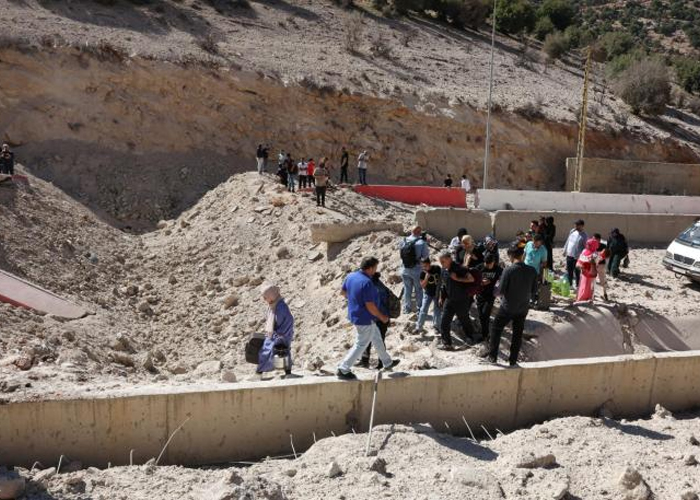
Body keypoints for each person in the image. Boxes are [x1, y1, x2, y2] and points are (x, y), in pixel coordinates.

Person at [338, 257, 400, 380]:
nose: (376, 270)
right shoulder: (367, 282)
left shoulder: (351, 276)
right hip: (365, 318)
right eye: (375, 268)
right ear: (371, 268)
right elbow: (370, 306)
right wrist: (382, 317)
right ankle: (343, 369)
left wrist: (356, 301)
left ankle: (387, 362)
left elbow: (343, 292)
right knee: (361, 344)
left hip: (356, 315)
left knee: (376, 337)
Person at [487, 243, 538, 366]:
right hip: (523, 308)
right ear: (523, 255)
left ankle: (492, 358)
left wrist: (494, 289)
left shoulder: (508, 270)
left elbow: (500, 291)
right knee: (517, 334)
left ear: (510, 256)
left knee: (496, 329)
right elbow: (534, 290)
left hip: (507, 307)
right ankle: (513, 361)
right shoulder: (532, 270)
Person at [438, 251, 478, 350]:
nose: (442, 264)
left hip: (461, 300)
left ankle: (471, 338)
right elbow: (444, 285)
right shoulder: (443, 270)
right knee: (444, 322)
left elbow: (471, 279)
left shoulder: (459, 268)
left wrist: (458, 279)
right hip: (449, 300)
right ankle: (447, 344)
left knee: (464, 320)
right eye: (440, 262)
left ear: (449, 259)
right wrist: (441, 297)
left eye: (443, 261)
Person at [256, 284, 294, 376]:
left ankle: (259, 373)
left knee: (266, 352)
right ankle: (287, 373)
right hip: (277, 334)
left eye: (266, 297)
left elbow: (288, 320)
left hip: (281, 334)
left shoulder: (280, 307)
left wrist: (279, 334)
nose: (265, 300)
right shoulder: (274, 305)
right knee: (283, 351)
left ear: (271, 295)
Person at [358, 272, 392, 369]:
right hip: (381, 317)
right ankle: (378, 362)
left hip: (378, 318)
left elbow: (372, 306)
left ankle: (371, 362)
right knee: (378, 340)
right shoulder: (380, 286)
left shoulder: (373, 289)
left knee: (372, 339)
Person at [399, 226, 430, 314]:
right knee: (418, 289)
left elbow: (401, 254)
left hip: (404, 269)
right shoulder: (421, 242)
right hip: (416, 270)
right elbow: (425, 256)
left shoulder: (403, 240)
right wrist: (426, 243)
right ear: (419, 232)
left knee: (407, 289)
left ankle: (407, 309)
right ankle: (419, 308)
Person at [415, 257, 442, 333]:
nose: (424, 268)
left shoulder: (437, 268)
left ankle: (436, 326)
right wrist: (426, 278)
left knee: (437, 310)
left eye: (425, 266)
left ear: (429, 264)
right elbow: (422, 286)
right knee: (423, 309)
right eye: (422, 266)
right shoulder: (422, 273)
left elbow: (441, 279)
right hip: (428, 294)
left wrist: (441, 293)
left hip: (437, 293)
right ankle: (419, 327)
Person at [563, 219, 587, 289]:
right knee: (569, 271)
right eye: (575, 225)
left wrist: (583, 257)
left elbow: (586, 247)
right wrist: (565, 250)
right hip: (569, 255)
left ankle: (577, 285)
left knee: (577, 272)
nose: (576, 227)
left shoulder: (584, 236)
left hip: (577, 257)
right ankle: (570, 285)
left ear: (582, 226)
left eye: (577, 225)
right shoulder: (572, 231)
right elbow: (568, 241)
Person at [576, 238, 600, 303]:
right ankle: (580, 299)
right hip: (583, 272)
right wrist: (579, 264)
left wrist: (592, 262)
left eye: (589, 245)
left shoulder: (596, 254)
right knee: (582, 285)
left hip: (591, 273)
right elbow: (580, 259)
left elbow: (596, 263)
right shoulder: (584, 251)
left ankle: (587, 299)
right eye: (587, 244)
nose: (587, 245)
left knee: (589, 287)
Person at [593, 233, 610, 302]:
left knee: (602, 279)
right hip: (593, 265)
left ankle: (605, 293)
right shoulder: (592, 246)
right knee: (592, 280)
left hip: (601, 265)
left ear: (599, 239)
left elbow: (606, 257)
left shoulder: (604, 246)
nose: (593, 240)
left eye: (595, 239)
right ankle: (592, 294)